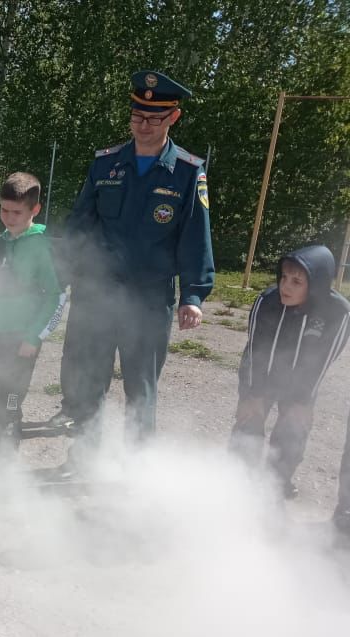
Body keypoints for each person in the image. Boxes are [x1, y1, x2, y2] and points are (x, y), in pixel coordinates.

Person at [49, 70, 214, 460]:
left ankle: (138, 465)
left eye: (154, 118)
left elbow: (195, 234)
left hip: (148, 298)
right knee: (89, 376)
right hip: (97, 292)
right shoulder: (105, 165)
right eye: (137, 116)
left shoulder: (188, 172)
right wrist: (61, 273)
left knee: (141, 385)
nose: (143, 125)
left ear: (173, 118)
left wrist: (193, 294)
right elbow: (80, 224)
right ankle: (86, 451)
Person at [230, 245, 350, 499]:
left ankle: (276, 482)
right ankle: (238, 481)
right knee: (248, 421)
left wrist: (302, 401)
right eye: (284, 277)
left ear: (316, 283)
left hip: (302, 382)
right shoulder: (267, 302)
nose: (286, 286)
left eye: (297, 281)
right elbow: (256, 351)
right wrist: (253, 395)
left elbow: (323, 361)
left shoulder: (338, 312)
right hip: (259, 375)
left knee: (294, 427)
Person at [0, 173, 65, 453]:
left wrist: (34, 336)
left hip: (21, 340)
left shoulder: (41, 246)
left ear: (34, 210)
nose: (9, 217)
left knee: (11, 397)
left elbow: (57, 296)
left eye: (17, 212)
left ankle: (7, 450)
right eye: (4, 210)